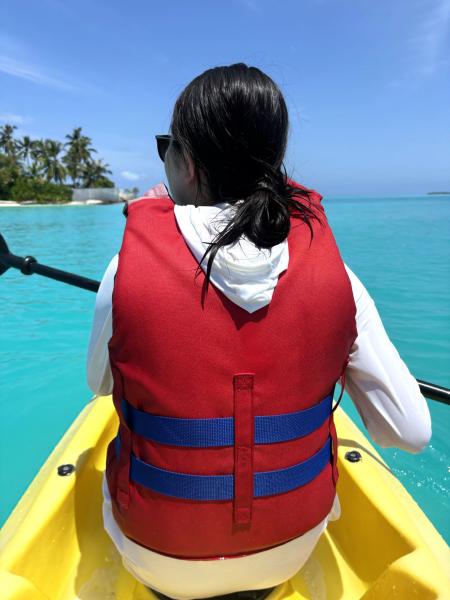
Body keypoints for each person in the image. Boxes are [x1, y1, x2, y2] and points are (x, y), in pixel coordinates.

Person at [86, 63, 432, 600]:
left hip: (156, 559)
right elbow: (409, 432)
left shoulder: (122, 269)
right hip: (294, 545)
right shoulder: (339, 277)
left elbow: (102, 385)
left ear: (189, 163)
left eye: (166, 147)